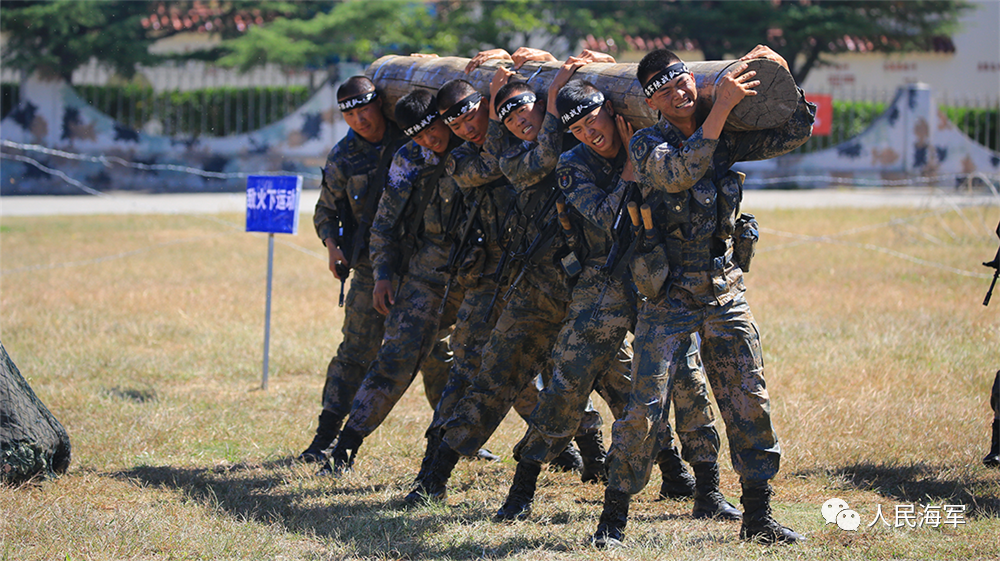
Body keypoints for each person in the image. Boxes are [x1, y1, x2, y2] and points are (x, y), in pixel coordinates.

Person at [590, 45, 816, 547]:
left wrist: (780, 73)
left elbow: (795, 131)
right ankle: (613, 521)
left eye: (681, 80)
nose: (678, 92)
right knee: (645, 407)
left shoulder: (726, 132)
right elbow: (681, 172)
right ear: (653, 102)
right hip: (667, 295)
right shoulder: (648, 144)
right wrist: (719, 111)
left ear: (692, 77)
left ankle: (758, 518)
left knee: (748, 398)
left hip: (722, 286)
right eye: (665, 89)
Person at [494, 78, 739, 523]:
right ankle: (522, 489)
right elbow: (608, 217)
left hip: (657, 277)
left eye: (593, 121)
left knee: (687, 382)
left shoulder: (651, 144)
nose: (591, 133)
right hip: (603, 279)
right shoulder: (572, 165)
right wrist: (629, 167)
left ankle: (707, 489)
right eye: (580, 129)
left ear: (611, 110)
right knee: (568, 381)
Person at [403, 51, 612, 506]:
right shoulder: (513, 159)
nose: (517, 119)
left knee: (618, 378)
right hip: (533, 281)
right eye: (507, 114)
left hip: (593, 285)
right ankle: (435, 476)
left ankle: (662, 470)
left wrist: (559, 76)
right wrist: (530, 98)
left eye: (526, 108)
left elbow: (590, 97)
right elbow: (540, 150)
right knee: (491, 377)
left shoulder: (583, 136)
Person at [300, 77, 453, 464]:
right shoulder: (344, 156)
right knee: (356, 351)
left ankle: (449, 435)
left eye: (363, 109)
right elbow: (326, 211)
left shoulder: (417, 133)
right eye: (349, 114)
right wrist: (333, 248)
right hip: (371, 264)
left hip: (423, 265)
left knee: (438, 352)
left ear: (379, 104)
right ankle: (323, 439)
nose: (358, 119)